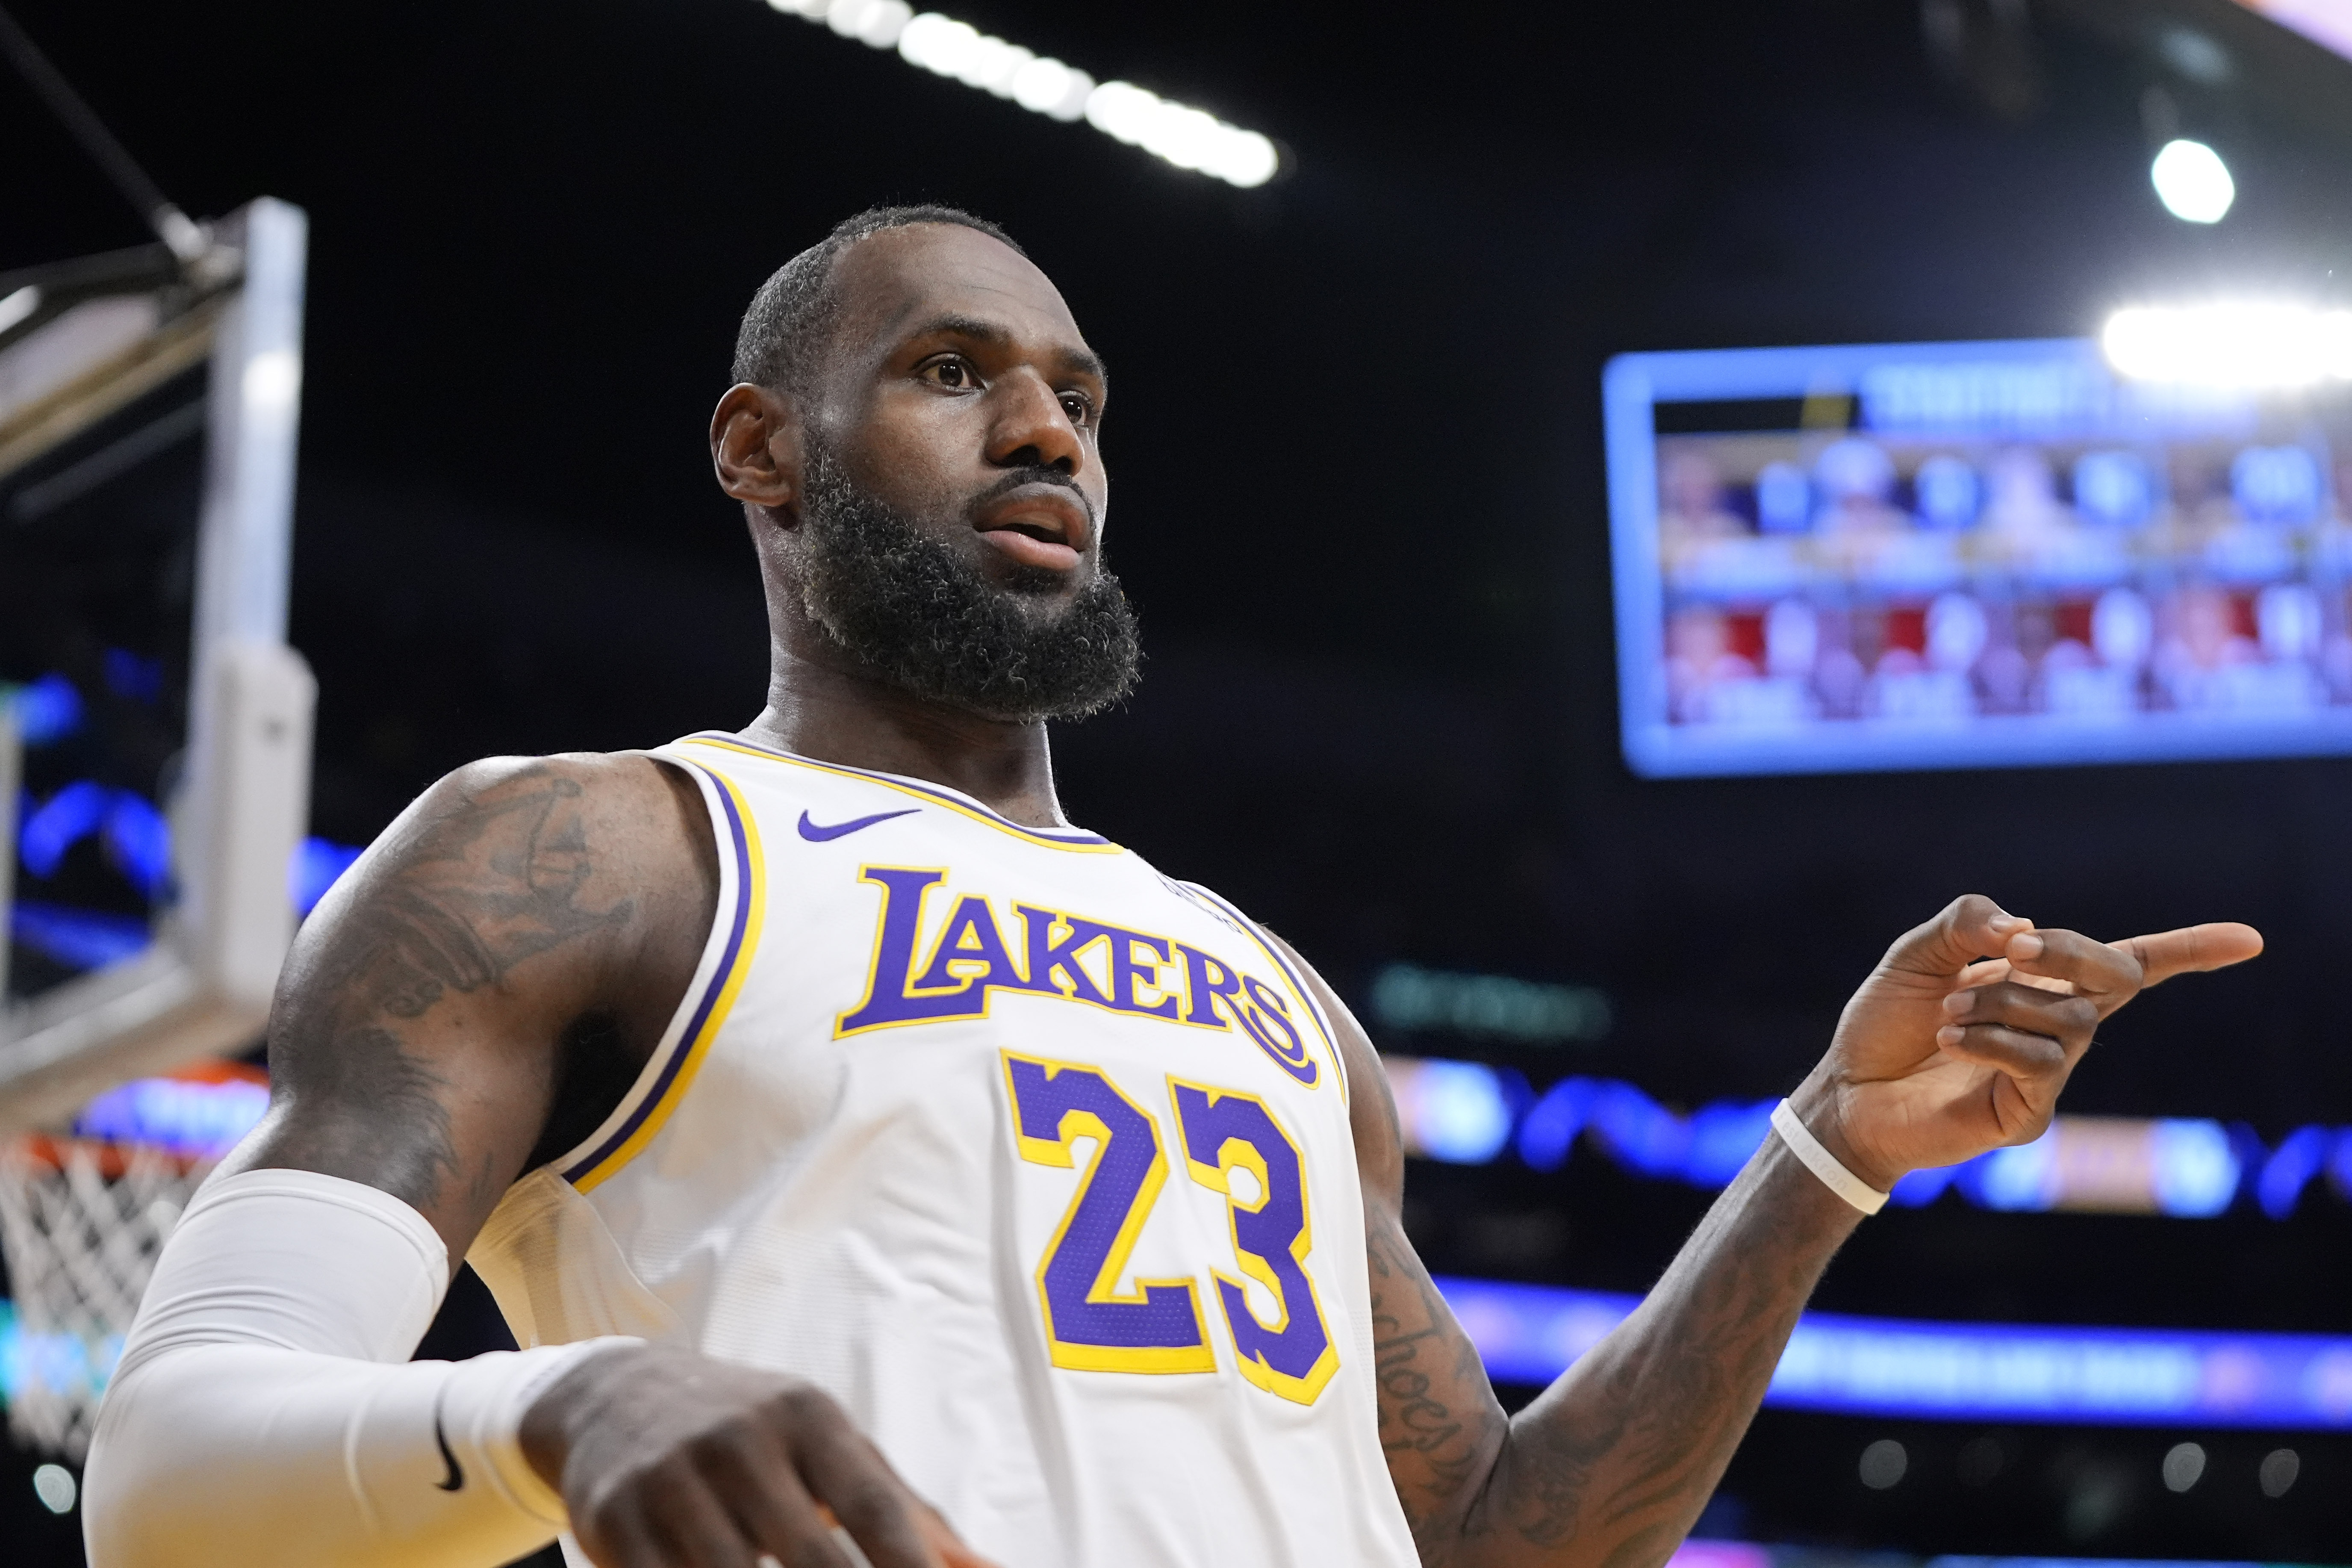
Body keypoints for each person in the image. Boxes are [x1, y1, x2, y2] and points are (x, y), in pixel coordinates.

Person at [80, 206, 2264, 1568]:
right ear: (763, 450)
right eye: (953, 373)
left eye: (1077, 395)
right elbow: (168, 1474)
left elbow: (1501, 1540)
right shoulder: (587, 848)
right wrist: (554, 1402)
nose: (1046, 427)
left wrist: (1819, 1159)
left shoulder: (1276, 992)